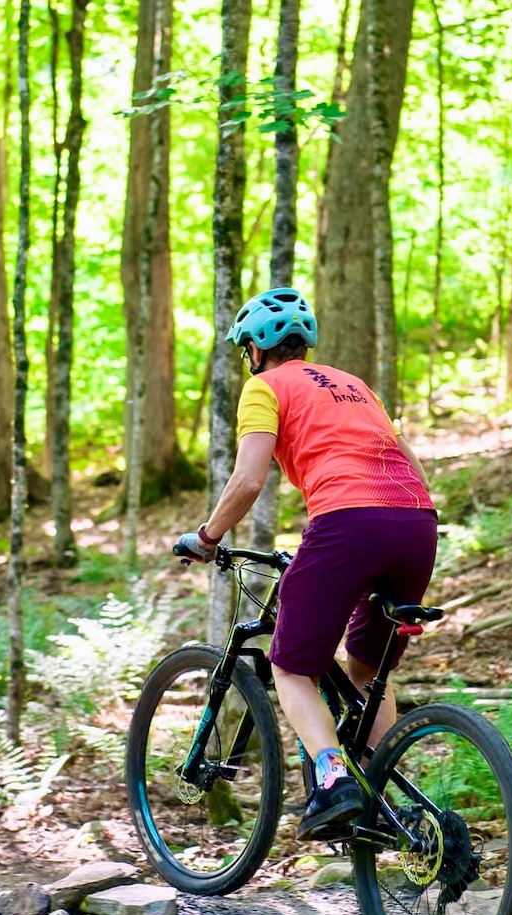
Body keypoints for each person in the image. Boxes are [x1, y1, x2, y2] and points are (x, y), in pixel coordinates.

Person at [177, 287, 436, 841]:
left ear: (255, 347)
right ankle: (383, 795)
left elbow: (248, 479)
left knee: (291, 666)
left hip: (346, 523)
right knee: (368, 669)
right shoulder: (354, 386)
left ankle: (333, 777)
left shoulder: (263, 387)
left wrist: (207, 536)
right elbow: (410, 460)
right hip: (417, 522)